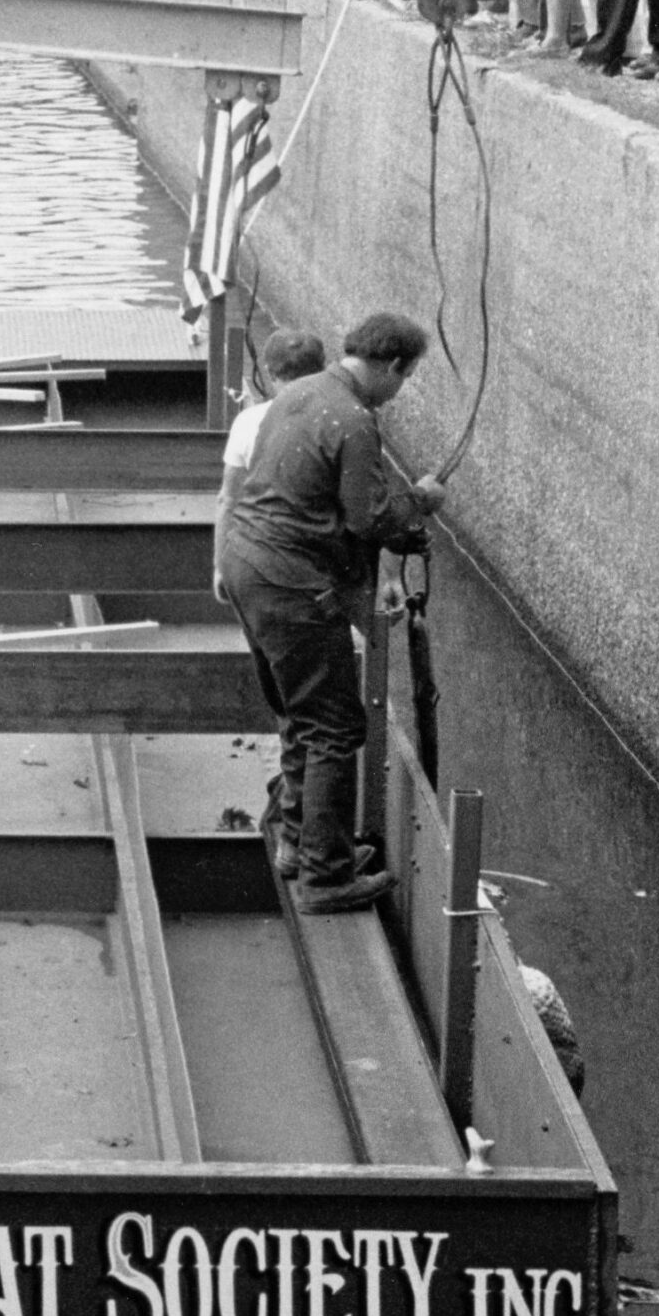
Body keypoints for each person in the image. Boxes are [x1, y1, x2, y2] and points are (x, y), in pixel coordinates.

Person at [217, 313, 447, 915]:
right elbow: (368, 518)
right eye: (405, 378)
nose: (400, 391)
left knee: (299, 710)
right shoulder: (353, 420)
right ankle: (325, 877)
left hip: (247, 565)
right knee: (336, 727)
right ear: (392, 366)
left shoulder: (296, 393)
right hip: (290, 583)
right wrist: (419, 503)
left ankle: (300, 843)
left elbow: (314, 499)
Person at [213, 328, 328, 598]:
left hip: (259, 560)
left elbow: (228, 499)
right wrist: (390, 576)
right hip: (320, 565)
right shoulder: (344, 419)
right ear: (323, 369)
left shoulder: (247, 422)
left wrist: (221, 568)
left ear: (270, 372)